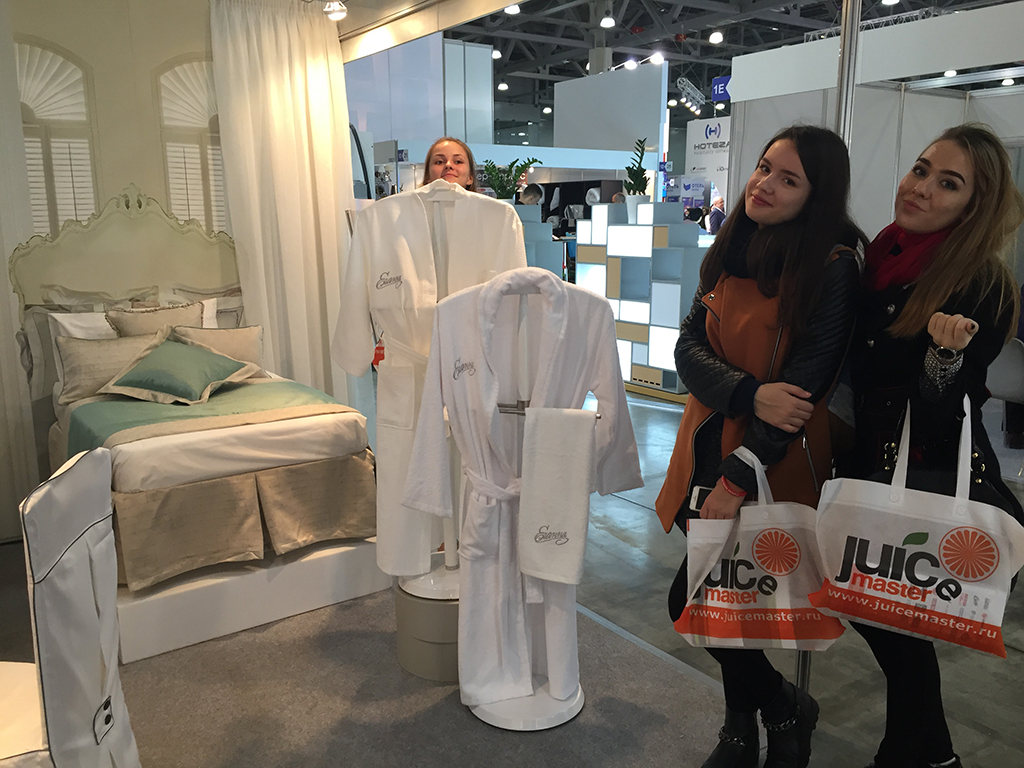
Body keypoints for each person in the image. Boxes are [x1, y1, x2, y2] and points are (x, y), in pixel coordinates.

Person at [655, 125, 867, 768]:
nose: (764, 184)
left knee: (699, 596)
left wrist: (737, 478)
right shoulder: (733, 246)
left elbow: (802, 391)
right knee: (720, 598)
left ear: (816, 195)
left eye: (788, 178)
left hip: (768, 459)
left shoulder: (832, 267)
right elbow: (687, 349)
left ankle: (778, 709)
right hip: (706, 441)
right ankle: (750, 725)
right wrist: (748, 392)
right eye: (764, 167)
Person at [837, 123, 1024, 768]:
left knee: (896, 623)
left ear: (974, 205)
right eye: (921, 170)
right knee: (881, 616)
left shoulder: (981, 283)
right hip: (864, 459)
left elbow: (950, 413)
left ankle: (904, 755)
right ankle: (939, 758)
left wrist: (944, 357)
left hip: (922, 471)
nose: (921, 189)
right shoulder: (880, 258)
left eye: (948, 184)